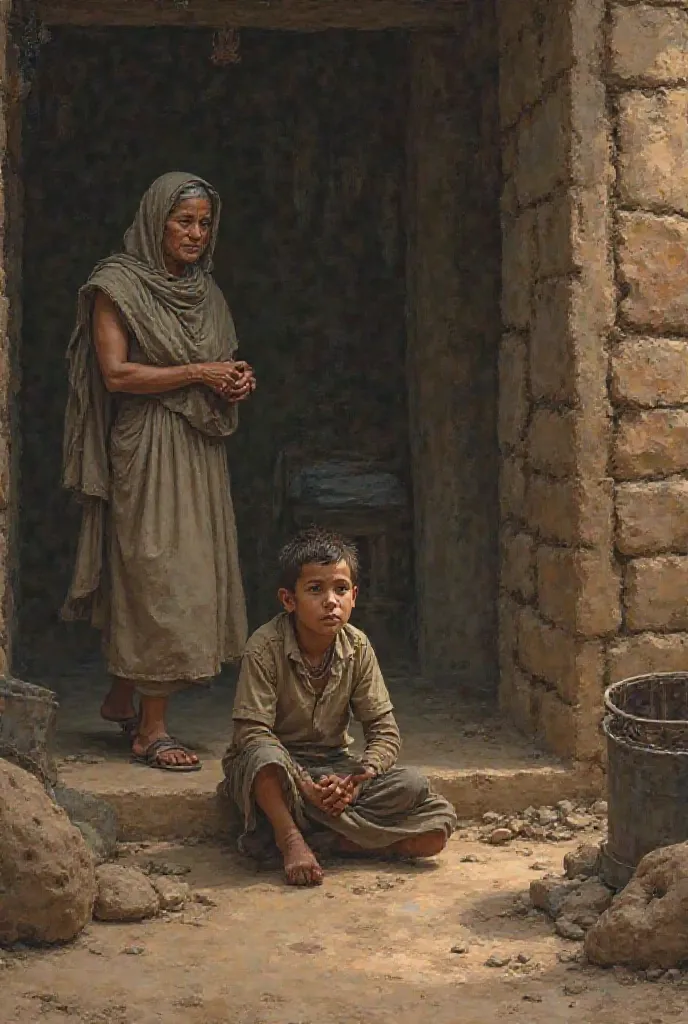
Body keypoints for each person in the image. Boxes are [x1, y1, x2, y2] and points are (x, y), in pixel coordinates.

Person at [62, 172, 254, 771]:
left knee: (189, 571)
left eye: (204, 223)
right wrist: (201, 372)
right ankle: (151, 731)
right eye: (184, 222)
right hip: (145, 447)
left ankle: (123, 700)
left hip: (196, 446)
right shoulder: (115, 285)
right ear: (155, 222)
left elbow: (216, 362)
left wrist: (234, 379)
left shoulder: (205, 290)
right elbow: (117, 374)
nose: (196, 234)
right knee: (155, 574)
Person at [221, 526, 457, 886]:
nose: (331, 600)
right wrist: (304, 785)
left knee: (424, 802)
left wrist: (357, 781)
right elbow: (251, 732)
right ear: (288, 599)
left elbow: (383, 730)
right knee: (262, 758)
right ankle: (291, 840)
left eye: (341, 589)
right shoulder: (265, 645)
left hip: (334, 771)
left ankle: (333, 841)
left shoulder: (358, 647)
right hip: (283, 774)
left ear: (354, 596)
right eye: (315, 589)